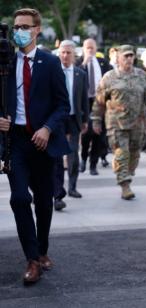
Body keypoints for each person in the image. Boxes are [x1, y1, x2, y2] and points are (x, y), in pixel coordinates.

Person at [0, 7, 71, 284]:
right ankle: (32, 259)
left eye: (25, 26)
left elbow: (63, 105)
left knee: (44, 201)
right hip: (16, 142)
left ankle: (42, 251)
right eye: (16, 26)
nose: (20, 31)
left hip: (43, 143)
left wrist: (47, 128)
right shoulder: (4, 63)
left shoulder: (50, 62)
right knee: (19, 198)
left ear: (37, 30)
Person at [91, 45, 146, 200]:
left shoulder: (141, 76)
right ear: (119, 58)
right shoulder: (109, 77)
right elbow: (99, 102)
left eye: (131, 56)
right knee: (122, 153)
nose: (129, 59)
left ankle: (127, 174)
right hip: (117, 123)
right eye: (126, 56)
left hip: (138, 123)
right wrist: (96, 120)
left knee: (135, 153)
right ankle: (124, 185)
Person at [53, 40, 89, 211]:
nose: (65, 55)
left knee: (73, 154)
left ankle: (72, 187)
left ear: (74, 54)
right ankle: (57, 192)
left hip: (74, 119)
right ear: (59, 53)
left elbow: (84, 100)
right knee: (57, 157)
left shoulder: (80, 74)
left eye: (69, 52)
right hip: (57, 120)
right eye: (63, 52)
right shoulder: (52, 72)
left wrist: (85, 120)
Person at [77, 38, 112, 175]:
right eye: (87, 48)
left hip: (100, 102)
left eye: (92, 48)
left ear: (96, 48)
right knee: (86, 134)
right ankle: (83, 159)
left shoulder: (103, 63)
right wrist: (85, 63)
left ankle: (93, 164)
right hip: (85, 103)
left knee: (98, 134)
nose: (90, 50)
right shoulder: (79, 63)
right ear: (83, 49)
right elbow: (75, 76)